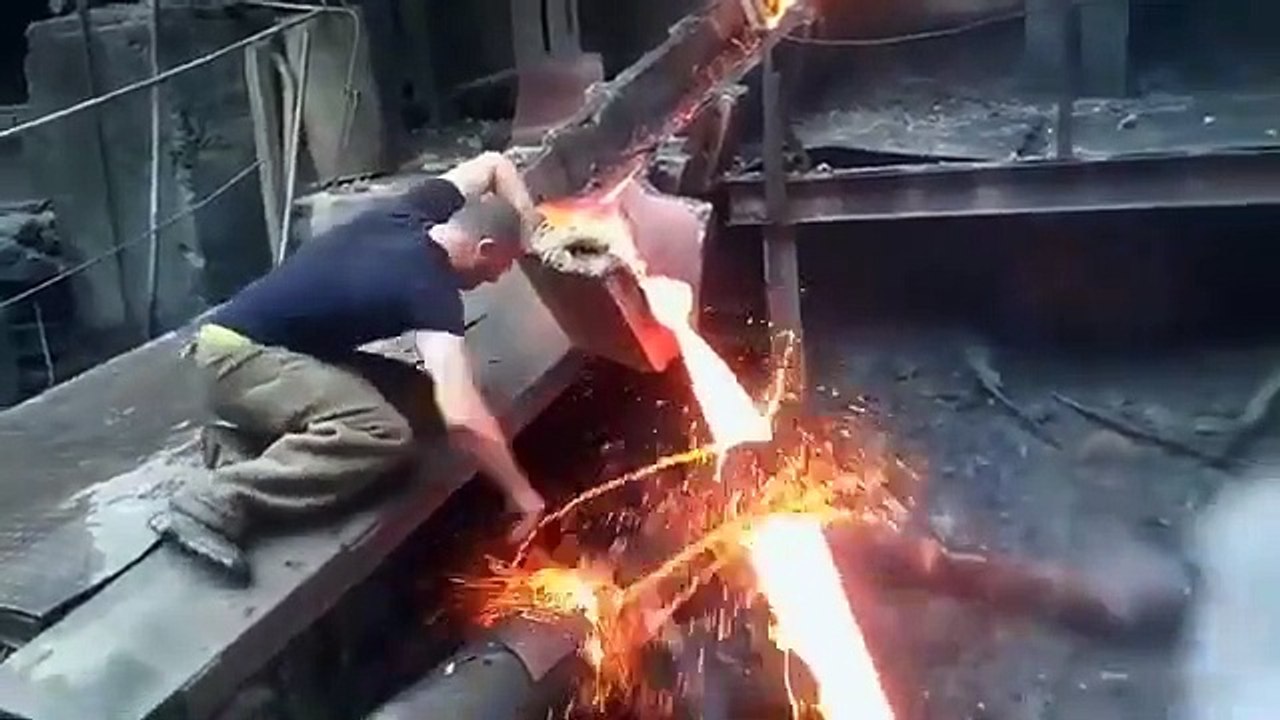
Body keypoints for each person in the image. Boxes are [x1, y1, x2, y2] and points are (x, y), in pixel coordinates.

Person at [154, 151, 549, 585]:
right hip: (236, 357)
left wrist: (527, 231)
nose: (498, 278)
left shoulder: (416, 210)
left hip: (285, 350)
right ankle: (216, 501)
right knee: (381, 431)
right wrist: (521, 493)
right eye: (504, 264)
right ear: (484, 248)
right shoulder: (428, 287)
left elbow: (494, 164)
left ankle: (245, 432)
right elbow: (463, 416)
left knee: (421, 405)